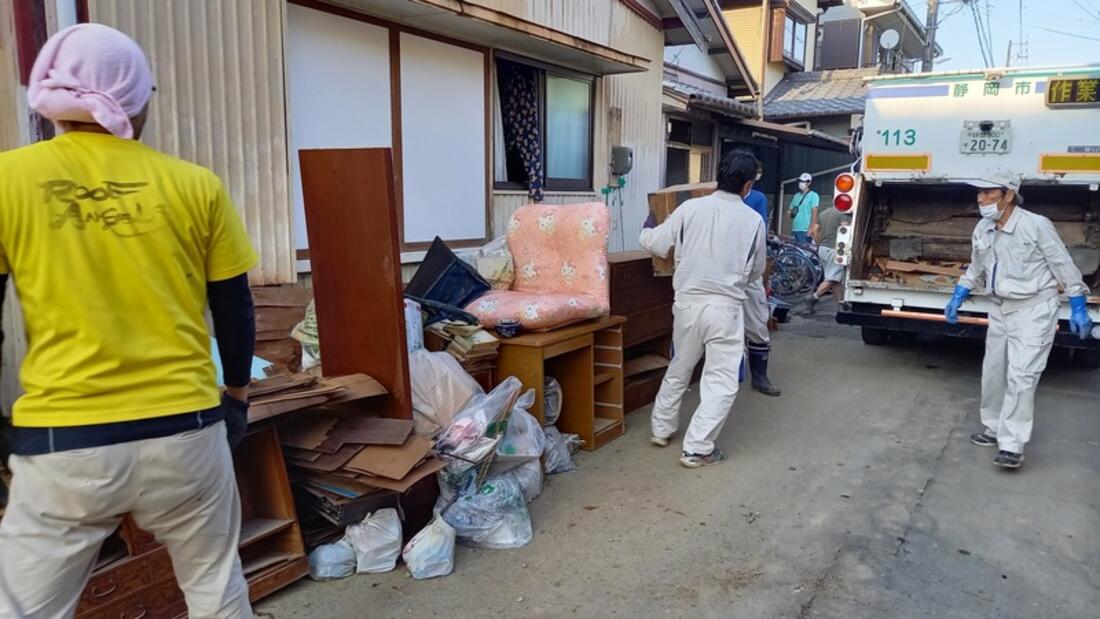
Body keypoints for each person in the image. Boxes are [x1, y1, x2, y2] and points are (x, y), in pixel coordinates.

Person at [0, 24, 257, 617]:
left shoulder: (10, 180)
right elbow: (234, 307)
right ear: (138, 100)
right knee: (217, 588)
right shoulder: (196, 186)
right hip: (186, 431)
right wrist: (236, 396)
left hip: (65, 442)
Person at [945, 168, 1093, 470]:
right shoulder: (983, 229)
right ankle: (993, 427)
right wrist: (959, 293)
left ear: (1009, 195)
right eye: (979, 193)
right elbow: (976, 267)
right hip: (1000, 308)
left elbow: (1062, 264)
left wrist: (1078, 303)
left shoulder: (1036, 226)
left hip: (1034, 309)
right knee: (994, 372)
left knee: (1022, 376)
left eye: (989, 193)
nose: (981, 198)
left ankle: (1012, 444)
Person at [640, 150, 766, 468]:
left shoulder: (689, 208)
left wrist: (648, 224)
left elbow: (655, 243)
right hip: (725, 309)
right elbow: (755, 272)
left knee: (680, 366)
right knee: (721, 380)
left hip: (687, 304)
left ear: (719, 176)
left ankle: (661, 428)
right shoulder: (753, 221)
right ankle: (697, 447)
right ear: (747, 185)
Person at [739, 155, 780, 396]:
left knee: (756, 324)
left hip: (750, 270)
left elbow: (761, 234)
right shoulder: (714, 202)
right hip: (724, 273)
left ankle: (760, 377)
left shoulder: (757, 198)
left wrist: (761, 276)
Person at [807, 204, 850, 314]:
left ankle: (841, 304)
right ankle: (813, 297)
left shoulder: (824, 212)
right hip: (835, 250)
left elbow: (815, 229)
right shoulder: (842, 214)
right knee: (832, 279)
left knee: (835, 279)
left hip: (822, 249)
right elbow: (844, 229)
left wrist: (818, 243)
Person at [787, 172, 819, 244]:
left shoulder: (813, 195)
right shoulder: (796, 196)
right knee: (794, 252)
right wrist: (790, 213)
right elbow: (789, 210)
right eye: (800, 181)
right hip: (795, 229)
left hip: (805, 230)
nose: (801, 183)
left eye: (803, 181)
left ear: (809, 183)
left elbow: (814, 214)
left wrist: (811, 229)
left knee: (804, 252)